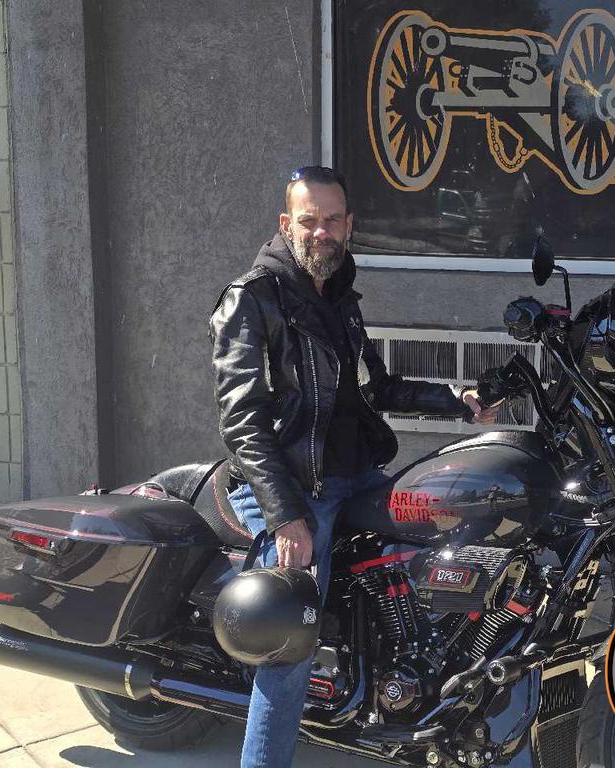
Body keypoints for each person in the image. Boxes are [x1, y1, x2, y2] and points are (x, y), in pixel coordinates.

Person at [209, 165, 498, 768]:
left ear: (349, 226)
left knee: (436, 553)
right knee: (291, 633)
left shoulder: (340, 296)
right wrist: (285, 516)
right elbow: (243, 422)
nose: (322, 231)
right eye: (309, 220)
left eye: (333, 220)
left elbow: (377, 388)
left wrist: (458, 401)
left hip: (356, 474)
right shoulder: (252, 299)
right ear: (286, 224)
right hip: (293, 487)